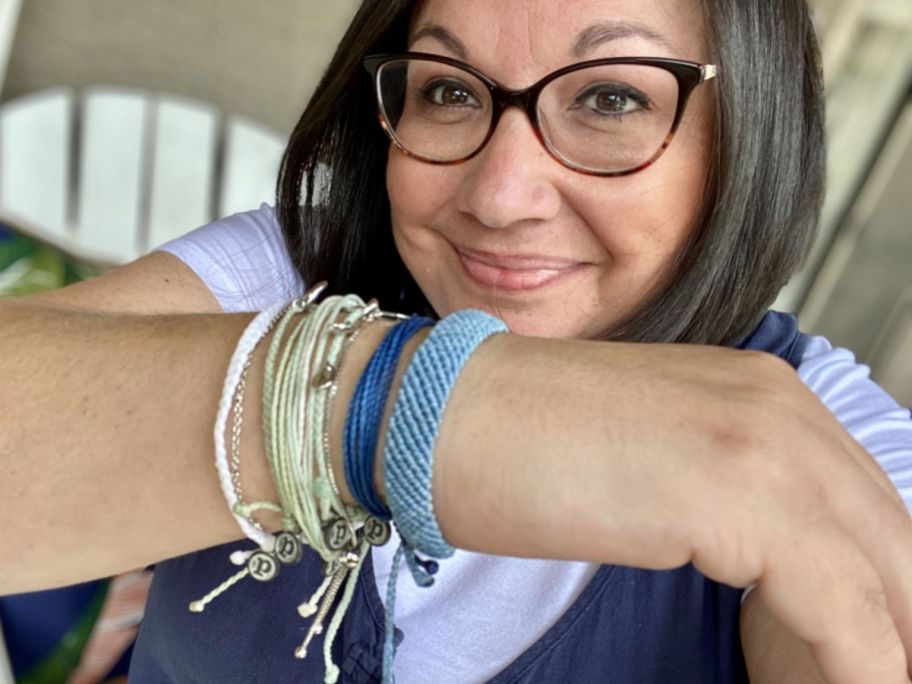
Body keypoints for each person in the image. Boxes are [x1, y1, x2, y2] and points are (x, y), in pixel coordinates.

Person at [2, 0, 911, 682]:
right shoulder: (295, 266)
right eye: (447, 90)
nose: (499, 194)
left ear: (754, 133)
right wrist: (405, 410)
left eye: (607, 98)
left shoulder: (823, 437)